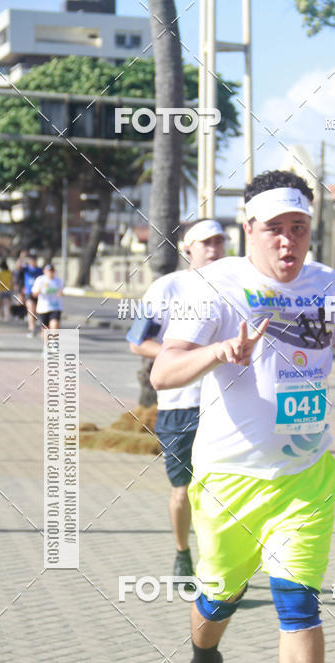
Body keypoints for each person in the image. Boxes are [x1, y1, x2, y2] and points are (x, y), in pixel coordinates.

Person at [151, 171, 335, 663]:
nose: (289, 243)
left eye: (299, 229)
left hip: (306, 476)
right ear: (248, 231)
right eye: (275, 230)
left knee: (299, 604)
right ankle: (204, 661)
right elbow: (165, 373)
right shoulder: (216, 285)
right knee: (218, 602)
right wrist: (218, 354)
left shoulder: (328, 285)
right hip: (229, 481)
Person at [127, 220, 227, 577]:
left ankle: (216, 566)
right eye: (206, 242)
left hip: (227, 406)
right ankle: (183, 554)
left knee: (222, 490)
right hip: (180, 405)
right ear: (188, 249)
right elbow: (137, 341)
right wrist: (186, 360)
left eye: (220, 240)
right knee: (182, 490)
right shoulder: (167, 287)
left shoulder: (238, 284)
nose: (215, 248)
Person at [32, 263, 63, 345]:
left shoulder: (58, 281)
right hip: (43, 308)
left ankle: (53, 345)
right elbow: (34, 294)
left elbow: (61, 292)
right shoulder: (40, 280)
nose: (50, 273)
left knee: (54, 326)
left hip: (55, 307)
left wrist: (60, 293)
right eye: (49, 271)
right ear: (44, 271)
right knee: (45, 329)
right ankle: (46, 347)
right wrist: (41, 288)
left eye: (52, 271)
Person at [22, 253, 43, 338]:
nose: (33, 261)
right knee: (31, 310)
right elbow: (17, 267)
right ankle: (32, 329)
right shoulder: (26, 269)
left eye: (34, 260)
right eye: (31, 260)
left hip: (38, 293)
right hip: (29, 292)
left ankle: (35, 325)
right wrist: (21, 258)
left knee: (36, 311)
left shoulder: (40, 270)